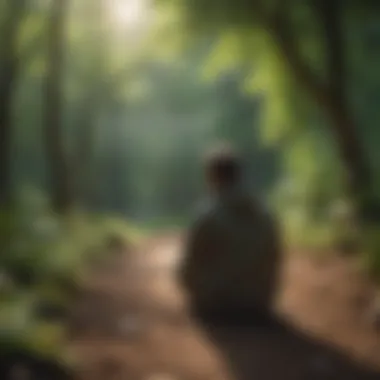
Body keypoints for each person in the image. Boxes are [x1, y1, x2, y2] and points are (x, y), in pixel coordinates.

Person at [178, 144, 282, 327]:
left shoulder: (207, 215)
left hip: (218, 306)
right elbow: (274, 257)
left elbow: (189, 267)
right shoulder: (265, 212)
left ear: (212, 177)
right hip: (258, 303)